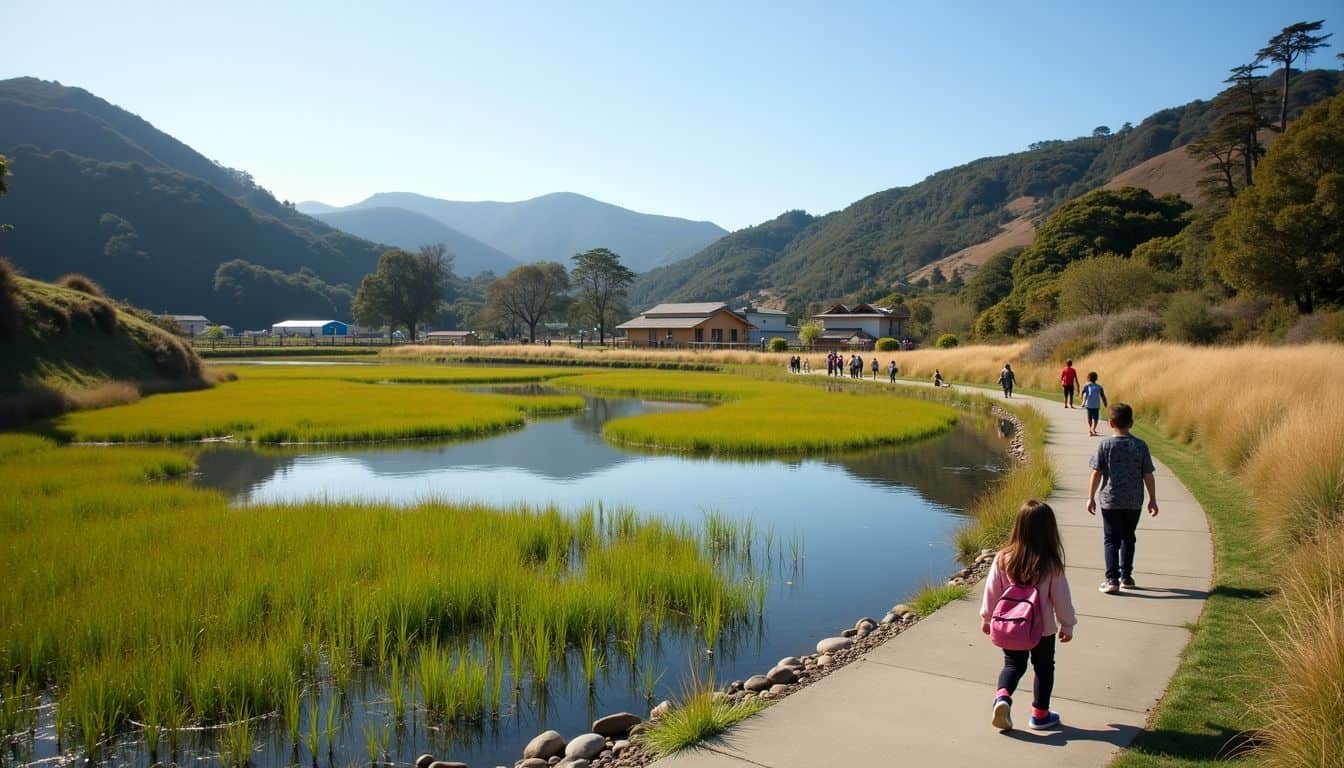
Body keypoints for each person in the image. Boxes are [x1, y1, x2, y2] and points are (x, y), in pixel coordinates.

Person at [981, 500, 1075, 731]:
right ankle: (1040, 715)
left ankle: (1002, 697)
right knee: (1044, 667)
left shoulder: (1003, 558)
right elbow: (1061, 598)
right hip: (1042, 629)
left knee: (1013, 664)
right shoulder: (1051, 563)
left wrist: (987, 618)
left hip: (1011, 626)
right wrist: (1067, 624)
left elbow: (992, 591)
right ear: (1049, 530)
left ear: (1019, 527)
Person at [1088, 403, 1158, 594]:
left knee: (1111, 539)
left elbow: (1096, 472)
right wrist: (1153, 499)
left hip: (1110, 500)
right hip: (1133, 500)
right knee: (1129, 537)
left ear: (1110, 423)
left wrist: (1090, 497)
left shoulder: (1105, 445)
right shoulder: (1140, 445)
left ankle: (1112, 579)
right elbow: (1148, 475)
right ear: (1132, 423)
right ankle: (1126, 576)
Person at [1080, 372, 1108, 436]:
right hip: (1096, 404)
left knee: (1089, 417)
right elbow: (1102, 396)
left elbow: (1082, 393)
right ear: (1096, 378)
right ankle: (1093, 429)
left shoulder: (1086, 386)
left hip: (1089, 404)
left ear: (1088, 378)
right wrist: (1105, 402)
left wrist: (1082, 400)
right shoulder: (1099, 386)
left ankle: (1091, 429)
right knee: (1096, 418)